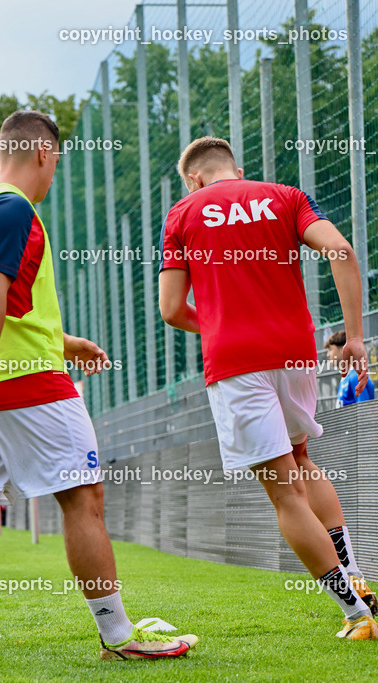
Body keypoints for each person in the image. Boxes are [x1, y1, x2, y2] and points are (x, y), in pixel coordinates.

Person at [0, 111, 198, 662]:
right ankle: (119, 638)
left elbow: (7, 303)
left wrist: (62, 342)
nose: (53, 173)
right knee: (84, 498)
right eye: (56, 161)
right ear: (44, 154)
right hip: (24, 382)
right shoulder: (13, 207)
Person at [160, 136, 377, 639]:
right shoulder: (285, 196)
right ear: (237, 169)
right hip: (294, 351)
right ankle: (355, 575)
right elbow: (341, 250)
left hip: (235, 361)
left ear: (193, 179)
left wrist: (219, 325)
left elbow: (171, 310)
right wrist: (355, 338)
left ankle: (356, 613)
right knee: (301, 461)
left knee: (285, 493)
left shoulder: (182, 214)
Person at [324, 330, 375, 406]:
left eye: (330, 350)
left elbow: (363, 410)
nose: (328, 355)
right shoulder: (346, 377)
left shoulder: (355, 377)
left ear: (343, 350)